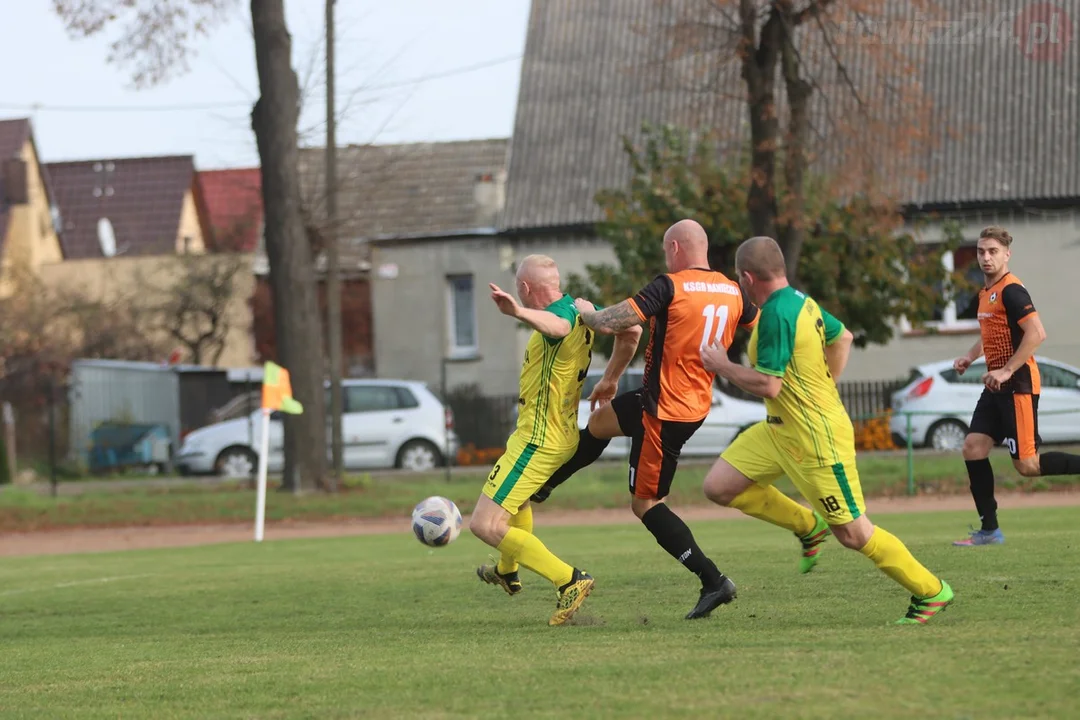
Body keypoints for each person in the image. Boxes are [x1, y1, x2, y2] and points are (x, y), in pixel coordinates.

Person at [699, 236, 954, 625]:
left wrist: (721, 365)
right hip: (778, 431)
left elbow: (769, 385)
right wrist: (828, 379)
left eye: (738, 278)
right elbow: (843, 337)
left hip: (815, 438)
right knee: (719, 486)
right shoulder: (803, 301)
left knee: (854, 534)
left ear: (747, 278)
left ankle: (931, 590)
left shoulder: (776, 315)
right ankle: (808, 526)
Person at [531, 219, 760, 620]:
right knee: (600, 424)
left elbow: (611, 322)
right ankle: (546, 484)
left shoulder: (671, 285)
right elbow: (759, 326)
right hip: (682, 401)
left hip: (665, 410)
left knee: (646, 504)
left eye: (664, 249)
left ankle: (713, 580)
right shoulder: (734, 291)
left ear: (674, 247)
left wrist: (584, 311)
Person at [469, 254, 641, 626]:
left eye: (519, 290)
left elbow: (558, 327)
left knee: (484, 525)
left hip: (538, 441)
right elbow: (633, 332)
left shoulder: (562, 316)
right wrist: (611, 376)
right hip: (555, 434)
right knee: (516, 503)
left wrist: (517, 312)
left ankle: (570, 579)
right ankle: (507, 570)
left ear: (526, 288)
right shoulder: (586, 311)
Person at [951, 226, 1080, 546]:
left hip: (1017, 383)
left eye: (993, 251)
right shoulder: (985, 293)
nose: (986, 257)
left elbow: (1036, 333)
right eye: (981, 251)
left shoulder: (1012, 290)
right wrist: (970, 357)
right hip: (995, 384)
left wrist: (1008, 370)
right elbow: (992, 331)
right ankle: (989, 530)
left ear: (1007, 254)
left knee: (1028, 465)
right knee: (973, 448)